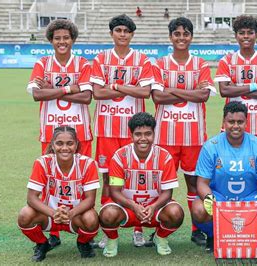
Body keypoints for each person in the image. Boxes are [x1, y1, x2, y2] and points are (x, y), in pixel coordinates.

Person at [90, 14, 160, 248]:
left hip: (134, 133)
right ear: (112, 33)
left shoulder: (142, 60)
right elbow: (97, 94)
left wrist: (116, 85)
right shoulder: (101, 59)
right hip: (107, 130)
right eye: (118, 30)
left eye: (126, 31)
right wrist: (130, 88)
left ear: (131, 34)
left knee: (136, 179)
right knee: (108, 180)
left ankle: (138, 230)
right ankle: (109, 232)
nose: (122, 34)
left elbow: (145, 92)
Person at [26, 19, 93, 248]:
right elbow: (36, 95)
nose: (62, 42)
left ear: (72, 39)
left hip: (80, 132)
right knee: (49, 182)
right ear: (51, 40)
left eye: (66, 38)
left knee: (83, 182)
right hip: (50, 134)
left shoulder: (83, 63)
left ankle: (85, 231)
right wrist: (69, 88)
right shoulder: (42, 63)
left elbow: (86, 97)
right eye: (57, 38)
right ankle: (53, 230)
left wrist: (52, 90)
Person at [215, 15, 257, 242]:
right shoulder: (227, 60)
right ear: (236, 35)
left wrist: (238, 89)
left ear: (256, 35)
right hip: (232, 128)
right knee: (228, 172)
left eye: (250, 33)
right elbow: (224, 91)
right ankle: (226, 216)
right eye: (241, 33)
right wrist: (255, 85)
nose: (246, 37)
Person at [152, 17, 216, 247]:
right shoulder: (159, 64)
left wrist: (173, 90)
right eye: (177, 34)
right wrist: (189, 90)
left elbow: (204, 95)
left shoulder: (200, 65)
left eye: (185, 33)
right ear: (171, 37)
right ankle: (155, 227)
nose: (181, 38)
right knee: (159, 184)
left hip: (194, 137)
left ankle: (197, 229)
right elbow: (158, 97)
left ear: (191, 36)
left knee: (194, 183)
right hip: (164, 137)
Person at [191, 101, 257, 252]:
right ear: (224, 122)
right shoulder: (211, 146)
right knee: (199, 209)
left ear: (246, 122)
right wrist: (208, 198)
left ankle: (249, 236)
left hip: (249, 198)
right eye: (231, 122)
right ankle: (214, 235)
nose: (235, 126)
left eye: (240, 122)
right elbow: (202, 183)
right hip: (220, 198)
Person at [98, 112, 184, 257]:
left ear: (154, 134)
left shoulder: (165, 157)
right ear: (131, 136)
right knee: (107, 214)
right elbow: (115, 192)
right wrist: (133, 206)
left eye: (148, 134)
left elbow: (168, 192)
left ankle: (160, 237)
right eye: (138, 134)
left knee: (176, 213)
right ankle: (112, 240)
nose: (143, 138)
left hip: (154, 208)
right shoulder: (120, 156)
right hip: (127, 208)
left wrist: (153, 206)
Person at [17, 126, 100, 262]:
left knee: (91, 219)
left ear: (76, 144)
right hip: (50, 216)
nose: (65, 148)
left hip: (75, 217)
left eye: (70, 143)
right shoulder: (42, 163)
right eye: (59, 143)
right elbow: (31, 198)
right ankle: (42, 244)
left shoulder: (87, 164)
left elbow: (90, 200)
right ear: (52, 145)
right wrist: (54, 213)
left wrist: (71, 214)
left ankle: (83, 243)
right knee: (25, 215)